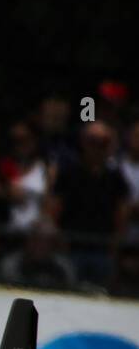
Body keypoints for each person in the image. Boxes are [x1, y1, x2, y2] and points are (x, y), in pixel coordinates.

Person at [47, 122, 127, 287]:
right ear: (83, 142)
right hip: (71, 248)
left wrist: (114, 249)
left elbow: (121, 215)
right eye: (93, 142)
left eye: (103, 143)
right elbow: (54, 209)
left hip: (103, 251)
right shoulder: (69, 173)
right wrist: (60, 242)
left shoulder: (115, 177)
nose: (97, 148)